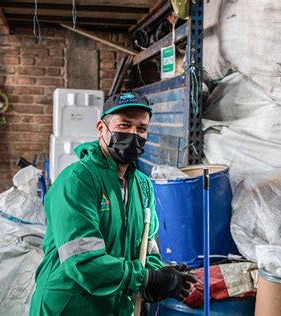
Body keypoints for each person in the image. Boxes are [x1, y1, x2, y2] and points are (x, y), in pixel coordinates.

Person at [30, 91, 197, 315]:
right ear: (101, 129)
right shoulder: (78, 180)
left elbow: (147, 249)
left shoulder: (143, 186)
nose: (133, 134)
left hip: (114, 306)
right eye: (124, 126)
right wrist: (147, 278)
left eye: (141, 129)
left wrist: (160, 276)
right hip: (69, 305)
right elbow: (83, 262)